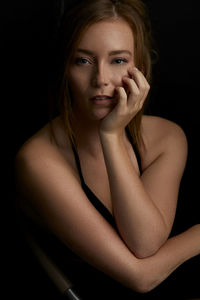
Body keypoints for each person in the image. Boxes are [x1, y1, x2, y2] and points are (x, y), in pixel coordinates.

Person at [15, 0, 200, 298]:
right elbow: (141, 275)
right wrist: (112, 135)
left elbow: (145, 241)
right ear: (65, 66)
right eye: (83, 61)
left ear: (139, 65)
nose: (100, 79)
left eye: (118, 60)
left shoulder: (167, 137)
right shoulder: (37, 160)